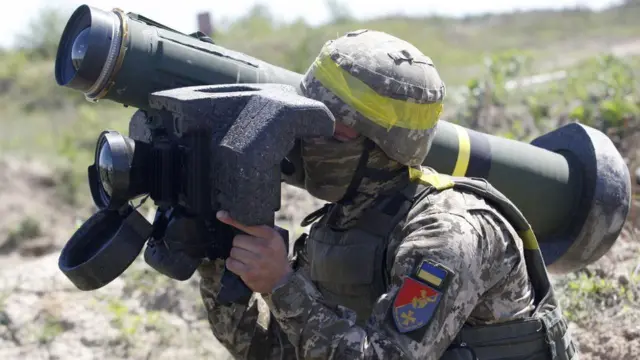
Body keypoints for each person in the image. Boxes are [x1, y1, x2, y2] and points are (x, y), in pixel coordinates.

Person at [197, 29, 578, 360]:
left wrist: (282, 285)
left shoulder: (446, 234)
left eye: (329, 130)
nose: (305, 142)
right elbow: (281, 352)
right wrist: (217, 261)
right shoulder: (342, 223)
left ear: (383, 146)